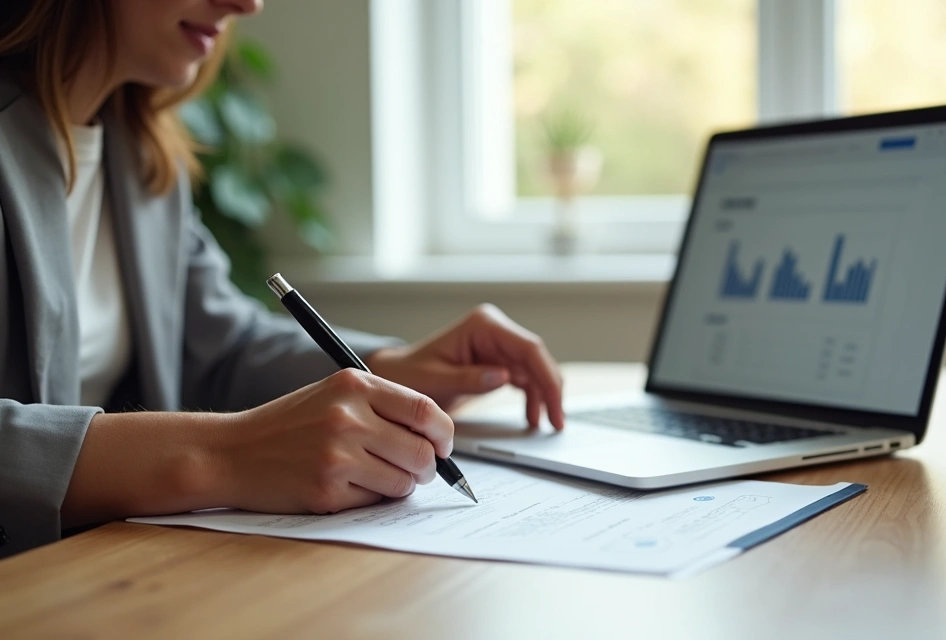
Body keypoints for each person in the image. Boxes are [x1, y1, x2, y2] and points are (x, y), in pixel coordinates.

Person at [0, 0, 565, 558]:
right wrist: (222, 456)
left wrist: (395, 373)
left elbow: (221, 349)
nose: (248, 4)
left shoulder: (142, 153)